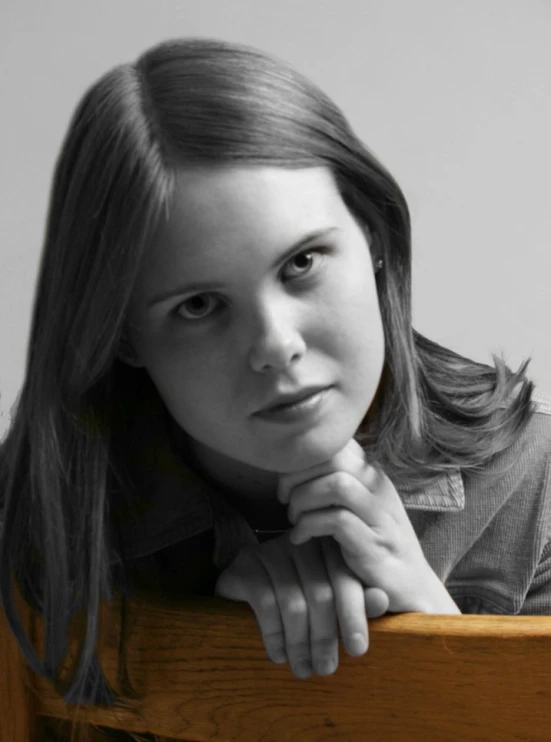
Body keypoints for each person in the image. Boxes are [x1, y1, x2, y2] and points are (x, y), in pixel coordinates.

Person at [1, 35, 550, 741]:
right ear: (124, 337)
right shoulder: (39, 521)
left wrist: (426, 629)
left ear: (375, 236)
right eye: (198, 306)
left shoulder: (533, 483)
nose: (273, 346)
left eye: (301, 264)